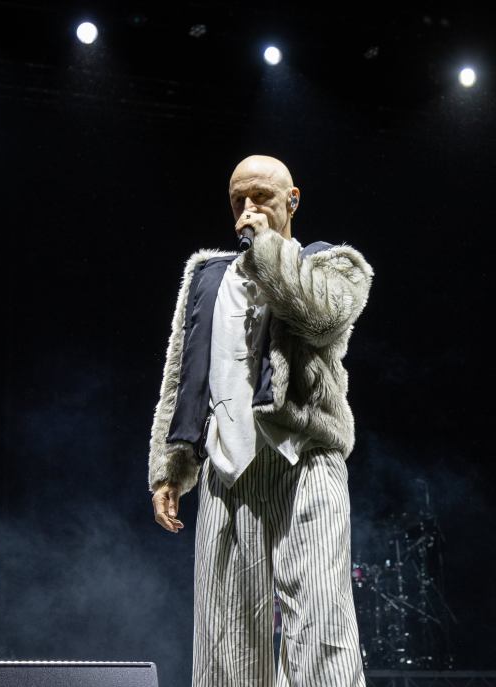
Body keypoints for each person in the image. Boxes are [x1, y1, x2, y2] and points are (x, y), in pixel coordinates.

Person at [148, 155, 373, 686]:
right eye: (238, 200)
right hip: (228, 469)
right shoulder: (207, 278)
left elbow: (321, 319)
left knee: (321, 627)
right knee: (225, 642)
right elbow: (182, 374)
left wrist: (267, 248)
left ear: (292, 200)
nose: (248, 208)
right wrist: (171, 468)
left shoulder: (334, 265)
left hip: (305, 460)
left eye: (262, 197)